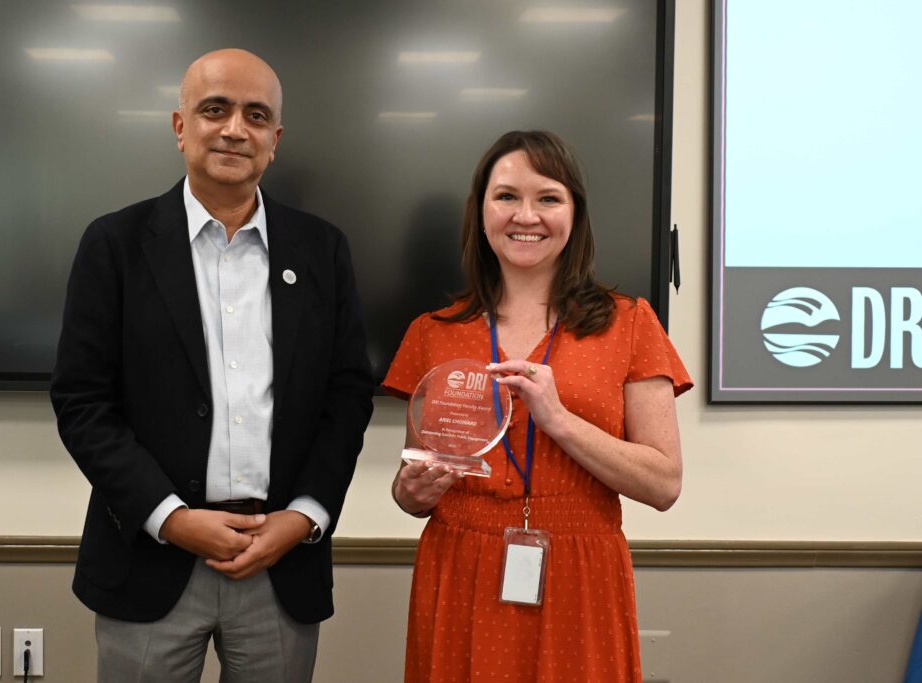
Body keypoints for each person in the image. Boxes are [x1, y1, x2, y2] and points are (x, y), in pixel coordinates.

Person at [50, 48, 374, 682]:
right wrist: (172, 519)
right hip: (150, 559)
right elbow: (83, 402)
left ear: (275, 141)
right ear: (180, 127)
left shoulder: (322, 249)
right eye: (214, 109)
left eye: (256, 116)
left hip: (279, 563)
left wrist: (304, 515)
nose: (234, 129)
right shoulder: (114, 244)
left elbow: (348, 396)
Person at [384, 130, 692, 682]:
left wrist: (559, 421)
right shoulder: (433, 333)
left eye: (548, 197)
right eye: (506, 196)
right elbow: (413, 483)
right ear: (481, 214)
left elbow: (664, 484)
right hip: (459, 566)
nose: (526, 215)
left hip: (580, 568)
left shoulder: (630, 323)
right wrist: (410, 493)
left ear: (575, 215)